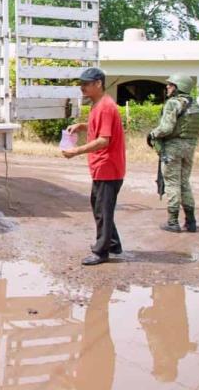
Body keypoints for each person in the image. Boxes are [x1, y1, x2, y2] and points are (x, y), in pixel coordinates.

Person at [62, 68, 126, 266]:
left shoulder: (106, 106)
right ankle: (113, 243)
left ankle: (101, 251)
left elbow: (103, 140)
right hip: (102, 166)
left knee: (102, 210)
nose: (82, 88)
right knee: (99, 206)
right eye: (81, 84)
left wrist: (77, 151)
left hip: (108, 166)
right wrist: (82, 126)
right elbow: (99, 127)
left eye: (86, 84)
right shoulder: (98, 105)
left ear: (98, 83)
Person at [148, 75, 199, 233]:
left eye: (171, 85)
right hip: (189, 148)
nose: (167, 87)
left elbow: (166, 129)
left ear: (178, 87)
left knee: (172, 183)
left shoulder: (173, 103)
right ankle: (191, 222)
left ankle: (173, 222)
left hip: (173, 148)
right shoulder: (195, 104)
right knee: (185, 183)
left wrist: (152, 134)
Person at [138, 285, 197, 382]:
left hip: (168, 306)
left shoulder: (174, 354)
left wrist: (145, 322)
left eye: (155, 369)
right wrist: (145, 322)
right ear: (168, 368)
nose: (155, 366)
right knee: (166, 280)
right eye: (158, 369)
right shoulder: (168, 354)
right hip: (167, 306)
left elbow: (154, 335)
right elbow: (155, 336)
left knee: (163, 281)